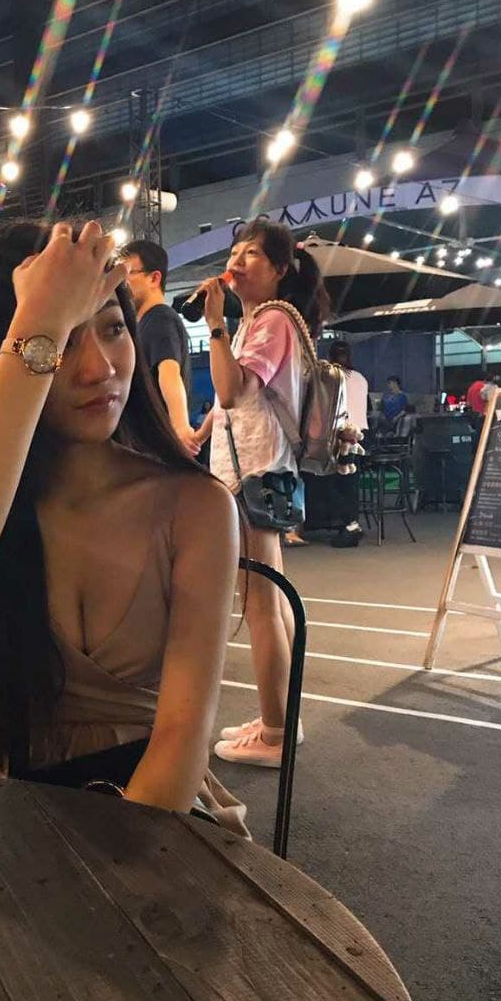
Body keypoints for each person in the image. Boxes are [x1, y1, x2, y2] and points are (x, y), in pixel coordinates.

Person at [0, 219, 247, 830]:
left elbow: (181, 739)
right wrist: (39, 320)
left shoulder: (195, 506)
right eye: (63, 340)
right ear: (4, 352)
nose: (98, 369)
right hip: (14, 804)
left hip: (158, 814)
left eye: (113, 328)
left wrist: (102, 873)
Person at [196, 219, 330, 767]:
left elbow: (232, 389)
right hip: (259, 471)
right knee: (271, 601)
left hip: (256, 472)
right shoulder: (260, 320)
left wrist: (214, 325)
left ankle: (275, 733)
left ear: (279, 269)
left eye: (252, 253)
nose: (237, 261)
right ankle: (282, 717)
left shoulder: (271, 321)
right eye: (235, 251)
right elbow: (232, 403)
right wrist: (198, 434)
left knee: (260, 605)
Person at [119, 240, 199, 455]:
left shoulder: (159, 318)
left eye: (128, 273)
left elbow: (169, 371)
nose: (121, 283)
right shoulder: (144, 323)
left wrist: (180, 426)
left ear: (154, 278)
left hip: (155, 446)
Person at [325, 339, 367, 548]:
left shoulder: (330, 376)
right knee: (351, 483)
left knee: (336, 484)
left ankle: (349, 525)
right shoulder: (360, 378)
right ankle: (352, 523)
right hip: (361, 436)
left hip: (340, 436)